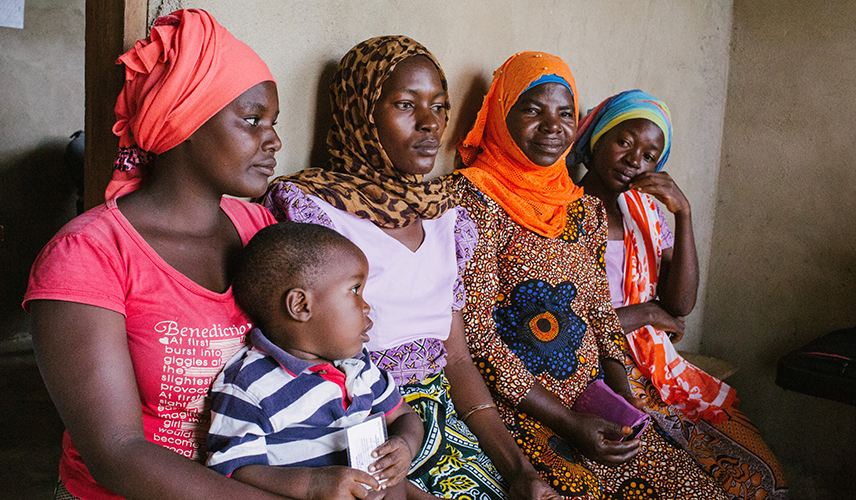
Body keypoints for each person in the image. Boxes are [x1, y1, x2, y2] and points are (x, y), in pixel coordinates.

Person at [263, 36, 557, 500]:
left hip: (446, 429)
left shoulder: (446, 217)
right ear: (361, 112)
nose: (430, 123)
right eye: (405, 104)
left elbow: (456, 360)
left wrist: (518, 469)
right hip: (358, 429)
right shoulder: (311, 210)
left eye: (439, 107)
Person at [24, 10, 283, 500]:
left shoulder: (260, 229)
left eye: (273, 122)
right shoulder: (87, 256)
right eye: (252, 120)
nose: (274, 140)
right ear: (184, 120)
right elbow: (117, 453)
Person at [455, 51, 730, 499]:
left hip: (592, 397)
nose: (552, 126)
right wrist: (568, 422)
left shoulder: (579, 208)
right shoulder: (473, 200)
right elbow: (479, 337)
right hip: (525, 407)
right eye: (532, 109)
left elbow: (599, 314)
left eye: (565, 113)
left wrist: (620, 400)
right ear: (501, 114)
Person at [570, 89, 788, 499]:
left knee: (764, 472)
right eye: (624, 141)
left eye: (651, 155)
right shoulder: (565, 213)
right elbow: (573, 322)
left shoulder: (645, 212)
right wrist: (649, 313)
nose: (636, 159)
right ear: (597, 136)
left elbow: (681, 304)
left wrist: (683, 213)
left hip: (657, 364)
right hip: (601, 365)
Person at [206, 222, 423, 500]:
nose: (367, 306)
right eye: (355, 290)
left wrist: (405, 444)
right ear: (301, 305)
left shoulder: (357, 363)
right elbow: (232, 470)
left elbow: (404, 415)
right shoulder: (249, 386)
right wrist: (312, 484)